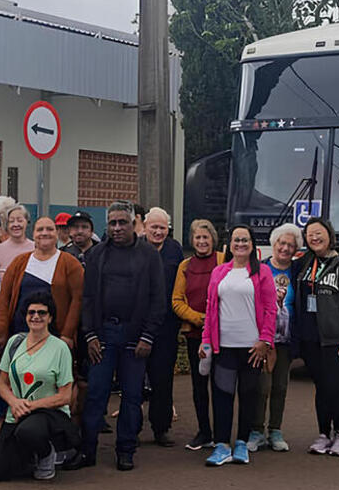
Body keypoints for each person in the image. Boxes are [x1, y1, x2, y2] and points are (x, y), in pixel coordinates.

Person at [70, 201, 165, 472]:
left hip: (136, 336)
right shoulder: (97, 254)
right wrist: (90, 336)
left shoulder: (149, 255)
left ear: (134, 223)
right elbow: (87, 299)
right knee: (96, 394)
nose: (117, 228)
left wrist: (148, 336)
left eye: (122, 222)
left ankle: (126, 449)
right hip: (103, 335)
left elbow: (158, 299)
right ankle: (88, 450)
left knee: (132, 396)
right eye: (112, 223)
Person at [199, 225, 276, 467]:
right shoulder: (219, 272)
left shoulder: (262, 273)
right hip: (224, 347)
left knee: (248, 396)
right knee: (222, 395)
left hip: (252, 348)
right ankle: (222, 445)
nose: (240, 244)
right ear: (229, 244)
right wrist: (206, 340)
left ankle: (241, 443)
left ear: (252, 245)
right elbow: (210, 308)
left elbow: (271, 310)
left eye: (245, 240)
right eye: (236, 240)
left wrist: (265, 340)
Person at [0, 292, 79, 482]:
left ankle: (47, 453)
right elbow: (2, 383)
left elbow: (65, 396)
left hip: (48, 413)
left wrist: (29, 406)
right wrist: (13, 402)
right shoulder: (14, 342)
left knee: (29, 431)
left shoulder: (60, 348)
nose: (36, 317)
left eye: (42, 313)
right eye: (31, 312)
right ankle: (28, 456)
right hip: (16, 413)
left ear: (50, 317)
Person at [294, 217, 339, 457]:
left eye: (319, 233)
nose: (315, 238)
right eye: (310, 234)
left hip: (335, 340)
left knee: (335, 388)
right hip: (311, 339)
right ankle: (323, 434)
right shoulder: (304, 264)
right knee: (321, 388)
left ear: (329, 234)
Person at [171, 219, 225, 451]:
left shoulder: (225, 260)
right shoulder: (185, 265)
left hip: (224, 334)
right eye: (197, 238)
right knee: (199, 386)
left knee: (222, 385)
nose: (202, 242)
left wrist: (214, 320)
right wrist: (198, 318)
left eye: (206, 237)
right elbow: (176, 300)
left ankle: (222, 433)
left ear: (213, 239)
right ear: (192, 241)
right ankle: (204, 432)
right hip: (196, 335)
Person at [248, 223, 302, 453]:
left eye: (291, 245)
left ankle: (276, 430)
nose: (285, 248)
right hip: (263, 337)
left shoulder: (298, 271)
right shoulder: (260, 269)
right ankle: (256, 431)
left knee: (280, 385)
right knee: (262, 386)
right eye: (282, 243)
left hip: (286, 339)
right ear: (274, 243)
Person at [0, 217, 84, 348]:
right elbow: (4, 298)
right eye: (40, 229)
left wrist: (67, 334)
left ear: (56, 233)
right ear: (33, 234)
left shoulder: (70, 264)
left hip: (55, 337)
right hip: (20, 334)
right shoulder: (19, 262)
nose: (44, 233)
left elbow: (78, 300)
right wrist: (1, 330)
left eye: (49, 229)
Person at [141, 207, 185, 448]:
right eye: (154, 227)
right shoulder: (134, 247)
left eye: (162, 228)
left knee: (163, 378)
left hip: (166, 325)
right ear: (145, 226)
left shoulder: (175, 249)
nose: (158, 232)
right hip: (138, 323)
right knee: (133, 379)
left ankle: (161, 428)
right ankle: (132, 427)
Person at [0, 204, 34, 271]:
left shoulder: (36, 249)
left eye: (20, 220)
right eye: (11, 221)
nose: (16, 224)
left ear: (27, 222)